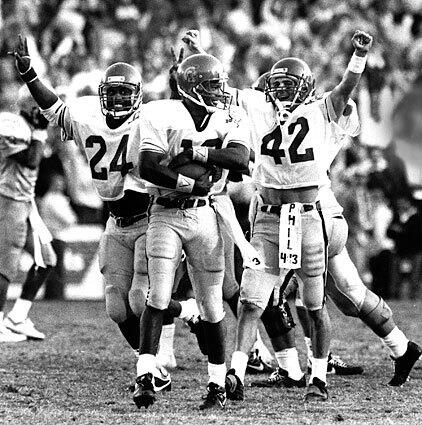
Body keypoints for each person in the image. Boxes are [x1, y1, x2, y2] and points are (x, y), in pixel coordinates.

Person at [10, 36, 199, 371]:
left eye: (125, 93)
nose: (118, 98)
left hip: (148, 217)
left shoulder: (149, 118)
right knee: (115, 307)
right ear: (102, 94)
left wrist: (178, 72)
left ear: (138, 96)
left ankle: (152, 362)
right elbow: (54, 108)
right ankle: (157, 344)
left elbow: (177, 111)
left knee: (141, 300)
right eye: (112, 92)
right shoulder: (87, 116)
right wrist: (30, 76)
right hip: (114, 220)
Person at [134, 53, 251, 410]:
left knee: (212, 304)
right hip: (166, 212)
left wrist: (197, 155)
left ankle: (217, 384)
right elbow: (148, 165)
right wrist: (188, 182)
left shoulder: (230, 115)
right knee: (157, 295)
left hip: (208, 215)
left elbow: (240, 159)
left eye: (219, 84)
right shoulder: (159, 112)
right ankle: (144, 376)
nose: (219, 91)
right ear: (189, 87)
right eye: (211, 85)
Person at [0, 85, 57, 342]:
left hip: (25, 201)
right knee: (4, 268)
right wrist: (41, 131)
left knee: (47, 259)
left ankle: (18, 317)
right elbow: (31, 160)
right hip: (7, 200)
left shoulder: (30, 128)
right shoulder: (10, 123)